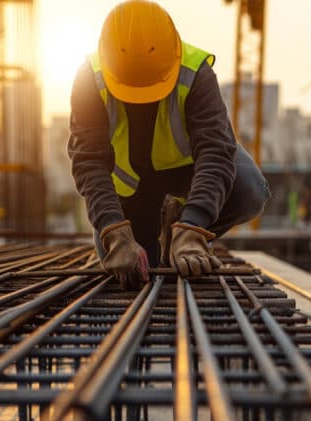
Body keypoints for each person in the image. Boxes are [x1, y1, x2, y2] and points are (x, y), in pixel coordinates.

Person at [68, 0, 270, 288]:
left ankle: (180, 230)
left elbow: (216, 151)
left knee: (249, 188)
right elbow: (89, 162)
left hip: (185, 171)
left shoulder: (195, 73)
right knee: (134, 271)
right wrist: (113, 229)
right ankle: (152, 235)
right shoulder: (89, 78)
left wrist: (193, 227)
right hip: (130, 189)